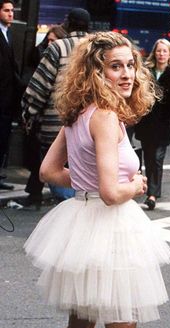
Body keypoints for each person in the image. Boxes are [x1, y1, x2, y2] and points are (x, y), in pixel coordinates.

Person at [22, 32, 170, 328]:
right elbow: (112, 192)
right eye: (116, 66)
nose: (127, 74)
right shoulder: (106, 117)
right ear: (96, 70)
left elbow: (50, 172)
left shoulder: (77, 114)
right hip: (112, 232)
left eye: (131, 65)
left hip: (81, 229)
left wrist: (85, 181)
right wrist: (137, 185)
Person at [21, 8, 90, 207]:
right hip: (93, 128)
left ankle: (71, 213)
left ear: (68, 23)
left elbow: (38, 87)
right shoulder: (99, 49)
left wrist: (28, 114)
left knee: (60, 181)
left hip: (57, 126)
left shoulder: (58, 47)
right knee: (85, 178)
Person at [135, 38, 170, 209]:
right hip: (146, 124)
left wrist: (168, 117)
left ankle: (152, 194)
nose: (161, 54)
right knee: (149, 158)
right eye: (159, 50)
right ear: (154, 53)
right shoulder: (146, 73)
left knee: (157, 158)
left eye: (165, 51)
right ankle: (151, 189)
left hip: (163, 126)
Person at [22, 24, 68, 209]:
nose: (50, 44)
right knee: (41, 161)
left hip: (53, 121)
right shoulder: (39, 54)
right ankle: (35, 193)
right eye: (48, 40)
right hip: (42, 121)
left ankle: (55, 198)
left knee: (50, 162)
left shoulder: (58, 56)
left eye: (53, 41)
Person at [0, 1, 23, 190]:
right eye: (6, 10)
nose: (11, 14)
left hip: (7, 99)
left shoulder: (8, 33)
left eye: (12, 11)